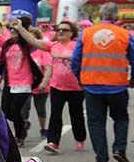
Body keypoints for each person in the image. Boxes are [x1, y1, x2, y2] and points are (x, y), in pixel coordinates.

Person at [71, 2, 134, 162]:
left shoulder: (86, 33)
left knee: (95, 122)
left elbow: (75, 59)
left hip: (92, 85)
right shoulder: (124, 34)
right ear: (116, 16)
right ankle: (119, 149)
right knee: (121, 118)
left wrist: (80, 77)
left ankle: (101, 158)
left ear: (100, 14)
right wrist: (132, 78)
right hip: (117, 85)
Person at [16, 20, 86, 153]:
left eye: (64, 30)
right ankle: (53, 142)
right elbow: (33, 41)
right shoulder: (53, 45)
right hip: (57, 87)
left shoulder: (77, 46)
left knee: (76, 115)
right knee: (55, 114)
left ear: (71, 33)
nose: (60, 32)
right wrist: (20, 28)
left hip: (76, 87)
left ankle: (80, 139)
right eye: (58, 30)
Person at [0, 18, 41, 144]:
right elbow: (2, 62)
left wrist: (21, 26)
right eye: (11, 31)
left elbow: (29, 40)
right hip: (10, 82)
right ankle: (23, 124)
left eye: (15, 31)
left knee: (15, 110)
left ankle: (19, 136)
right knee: (6, 111)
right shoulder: (7, 44)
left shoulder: (25, 44)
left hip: (24, 82)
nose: (13, 33)